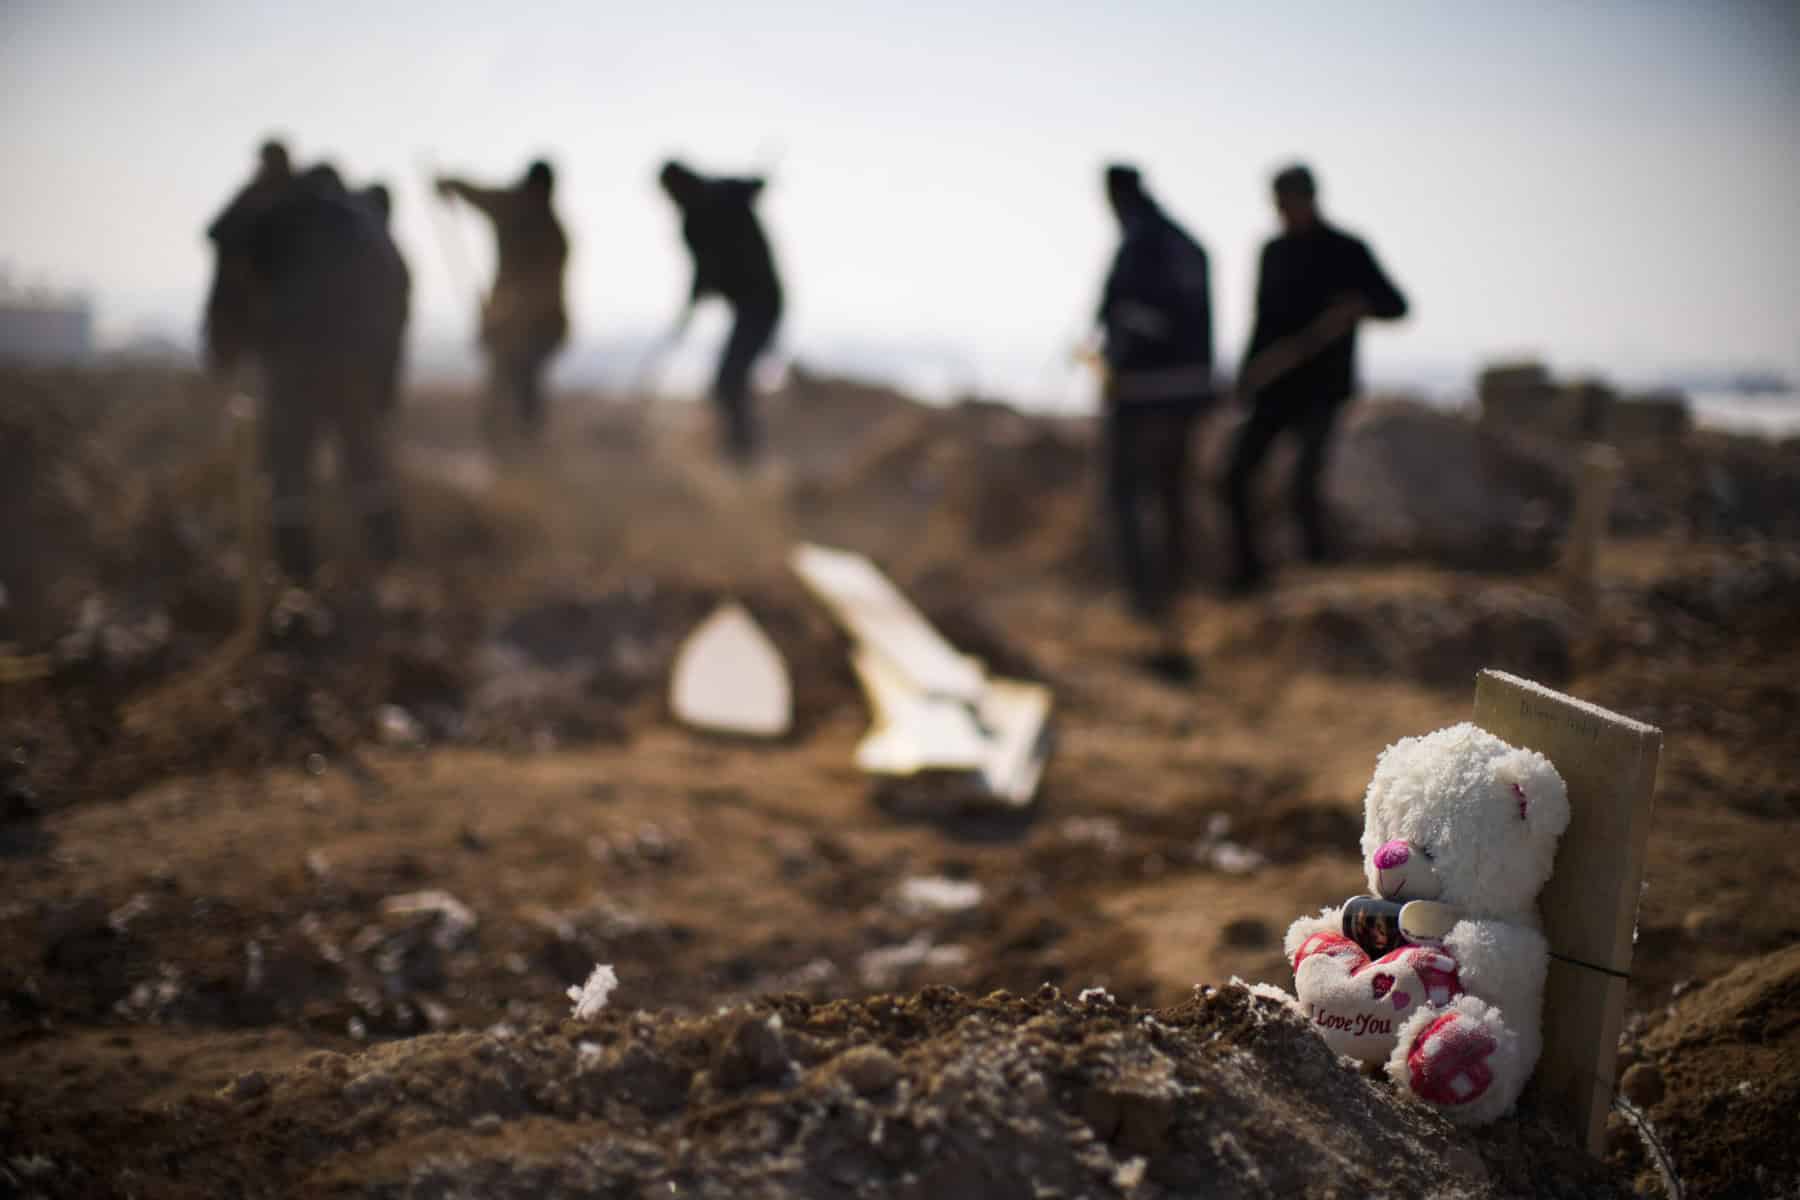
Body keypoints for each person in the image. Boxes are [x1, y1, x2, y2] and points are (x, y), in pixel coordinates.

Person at [1223, 164, 1408, 592]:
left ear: (1308, 199)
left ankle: (1318, 578)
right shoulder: (1274, 251)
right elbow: (1263, 320)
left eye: (1288, 202)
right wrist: (1248, 374)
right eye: (1277, 203)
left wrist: (1358, 306)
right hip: (1276, 385)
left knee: (1303, 486)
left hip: (1323, 389)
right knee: (1234, 476)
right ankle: (1249, 578)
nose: (1283, 211)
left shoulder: (1347, 249)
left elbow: (1395, 305)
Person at [1094, 164, 1214, 623]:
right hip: (1189, 391)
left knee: (1127, 493)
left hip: (1141, 392)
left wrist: (1115, 355)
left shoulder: (1140, 244)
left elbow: (1127, 316)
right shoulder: (1189, 243)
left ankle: (1143, 601)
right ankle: (1176, 592)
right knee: (1171, 494)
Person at [657, 159, 784, 464]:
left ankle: (744, 453)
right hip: (750, 305)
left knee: (730, 379)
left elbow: (754, 187)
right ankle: (740, 448)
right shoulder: (697, 219)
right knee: (730, 379)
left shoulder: (721, 196)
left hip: (762, 302)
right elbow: (704, 273)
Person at [435, 160, 569, 441]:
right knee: (513, 384)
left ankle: (518, 444)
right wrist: (451, 184)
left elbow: (542, 289)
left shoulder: (532, 219)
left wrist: (503, 313)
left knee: (516, 382)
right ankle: (513, 445)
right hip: (525, 321)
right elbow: (474, 194)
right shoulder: (534, 219)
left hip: (529, 323)